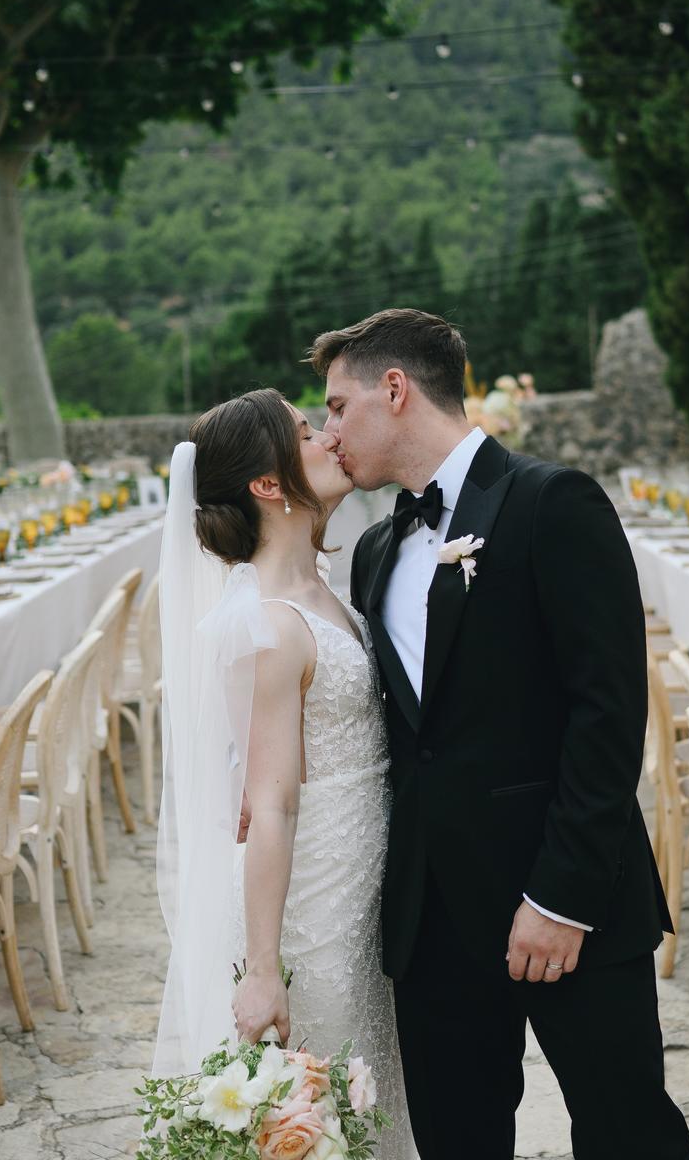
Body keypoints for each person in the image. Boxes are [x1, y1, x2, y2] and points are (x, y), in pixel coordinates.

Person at [312, 309, 689, 1160]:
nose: (328, 430)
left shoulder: (552, 502)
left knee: (629, 1134)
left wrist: (560, 898)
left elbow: (608, 714)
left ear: (396, 390)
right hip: (434, 919)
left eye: (338, 406)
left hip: (566, 898)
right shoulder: (376, 549)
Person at [149, 389, 413, 1155]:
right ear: (267, 484)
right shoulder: (266, 621)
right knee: (328, 1109)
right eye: (305, 433)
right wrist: (262, 970)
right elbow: (272, 808)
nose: (331, 437)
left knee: (371, 1103)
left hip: (362, 891)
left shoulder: (322, 589)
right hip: (313, 910)